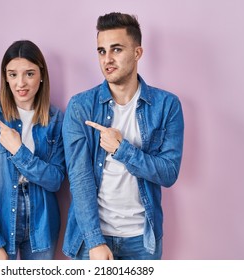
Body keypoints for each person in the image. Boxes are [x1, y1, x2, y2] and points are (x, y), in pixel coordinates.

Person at [62, 12, 184, 260]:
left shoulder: (166, 105)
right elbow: (79, 178)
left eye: (116, 50)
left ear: (137, 53)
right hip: (92, 239)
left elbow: (169, 173)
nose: (107, 59)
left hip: (143, 239)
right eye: (101, 51)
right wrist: (95, 241)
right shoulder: (81, 107)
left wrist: (122, 150)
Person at [0, 40, 65, 260]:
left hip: (41, 223)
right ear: (5, 77)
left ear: (41, 75)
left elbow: (55, 180)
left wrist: (19, 151)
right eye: (12, 74)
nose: (21, 83)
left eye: (29, 73)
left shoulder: (56, 119)